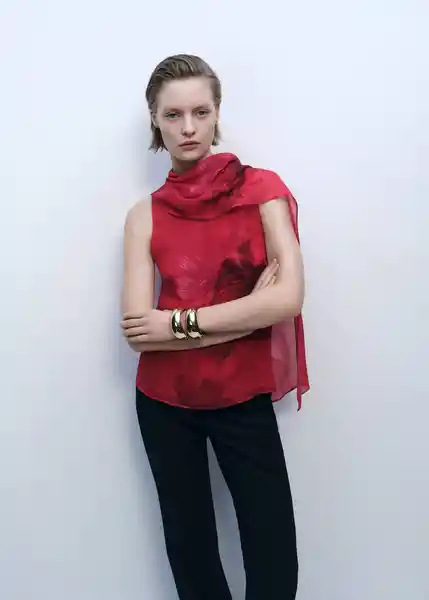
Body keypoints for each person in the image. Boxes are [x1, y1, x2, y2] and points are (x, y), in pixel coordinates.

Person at [121, 54, 309, 600]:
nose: (188, 127)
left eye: (200, 112)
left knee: (273, 549)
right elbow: (139, 331)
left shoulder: (263, 191)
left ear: (217, 113)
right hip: (164, 401)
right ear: (155, 120)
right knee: (190, 549)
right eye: (173, 114)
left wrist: (175, 324)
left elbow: (288, 298)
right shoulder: (144, 215)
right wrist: (248, 312)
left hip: (241, 393)